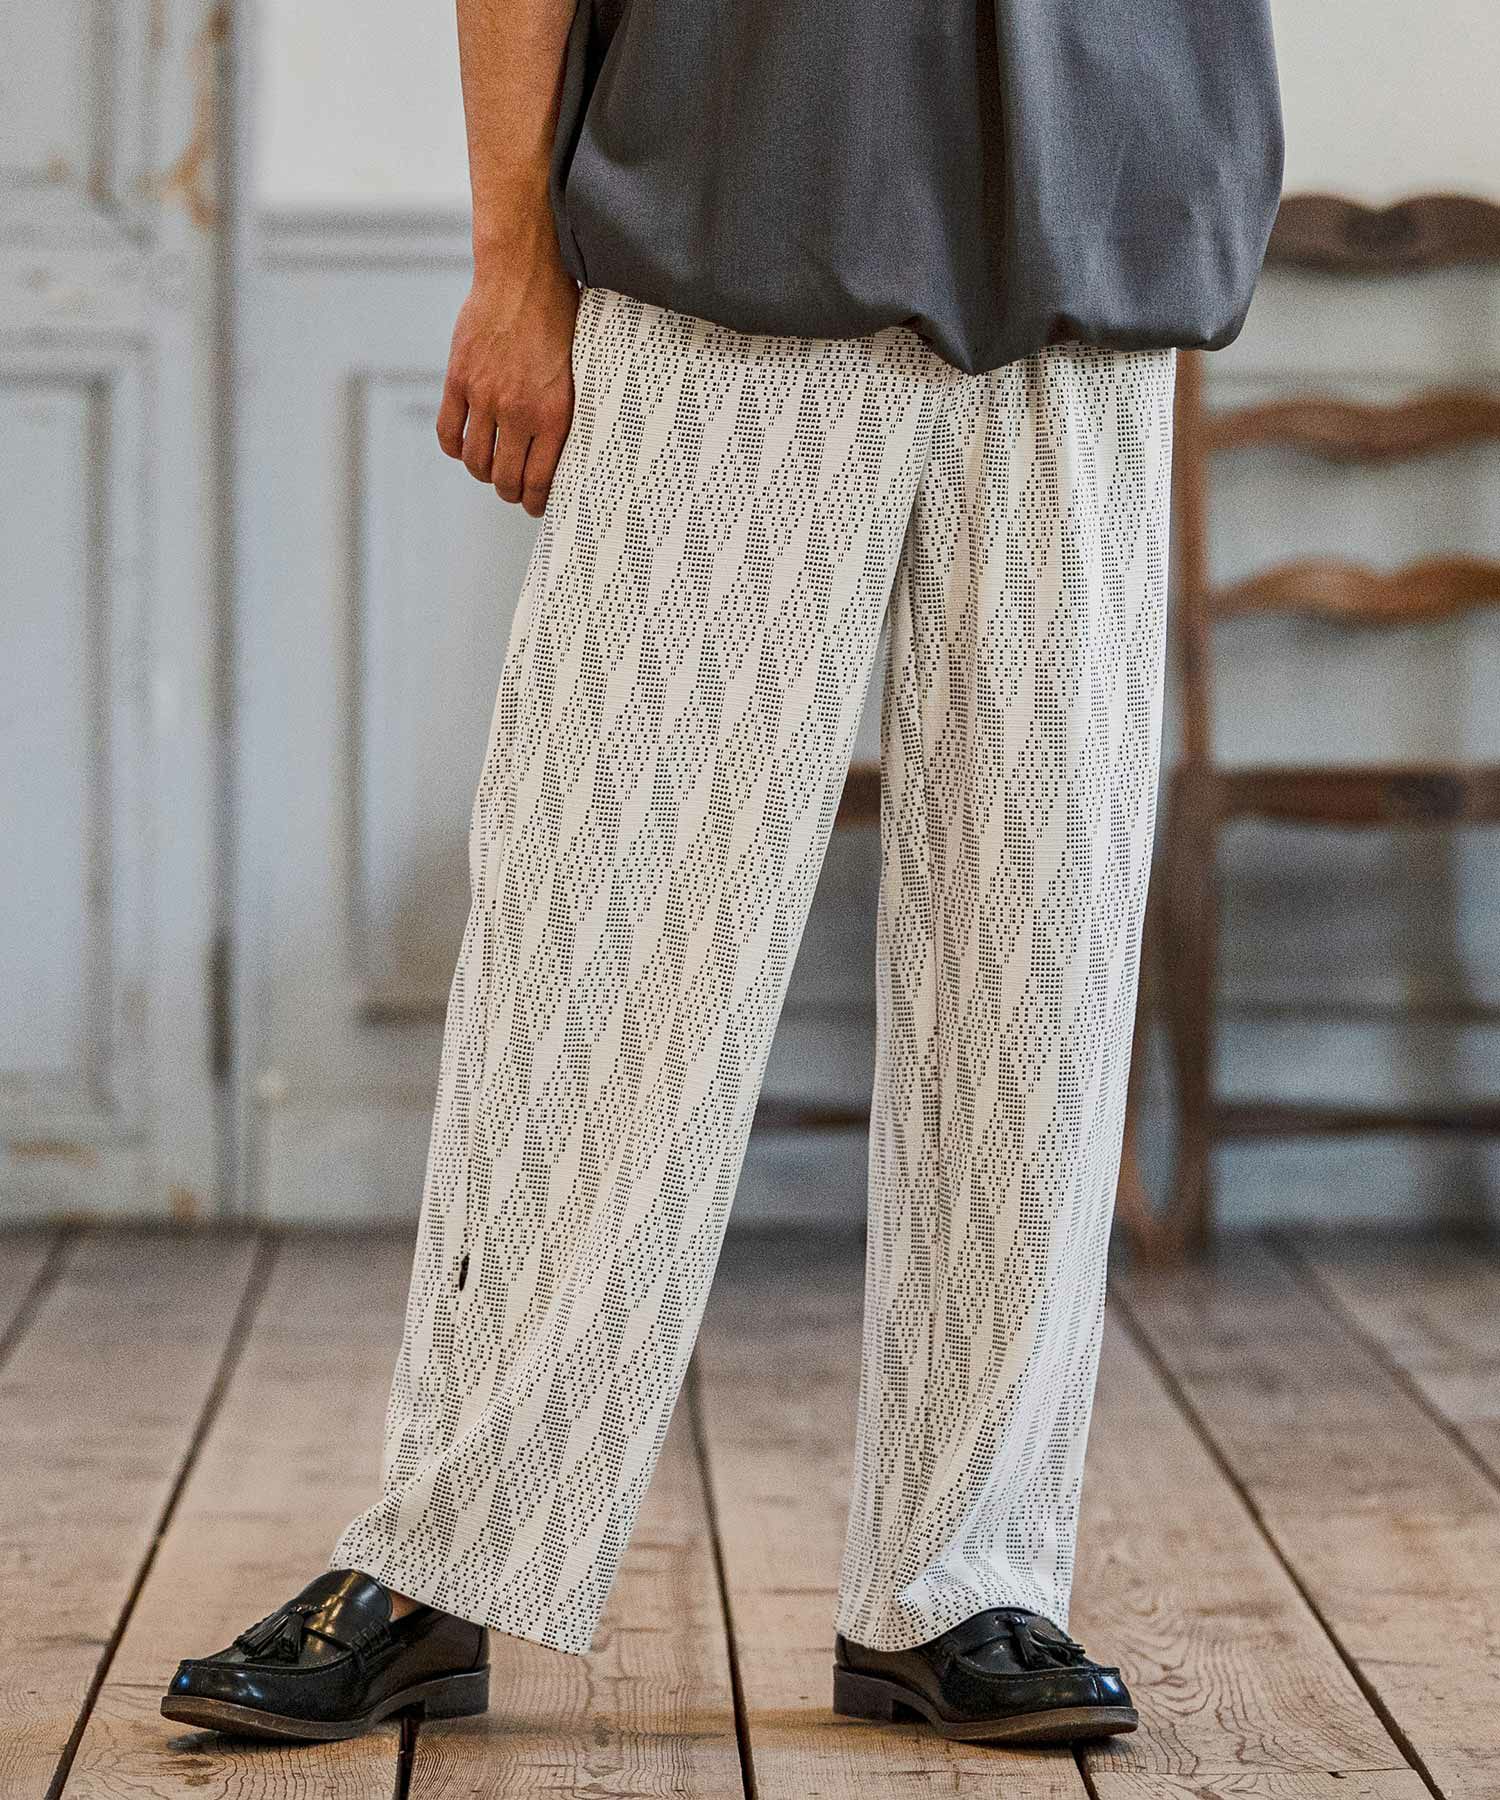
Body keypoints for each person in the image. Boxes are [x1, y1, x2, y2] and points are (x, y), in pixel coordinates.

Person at [162, 0, 1283, 1750]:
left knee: (1041, 939)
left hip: (1101, 221)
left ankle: (968, 1573)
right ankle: (450, 1544)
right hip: (735, 207)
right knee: (602, 920)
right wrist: (513, 259)